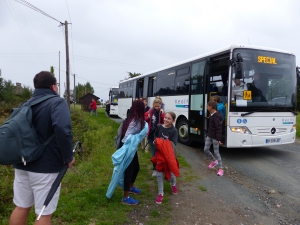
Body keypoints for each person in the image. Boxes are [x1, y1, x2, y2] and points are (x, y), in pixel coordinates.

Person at [9, 71, 75, 225]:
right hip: (46, 168)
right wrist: (68, 157)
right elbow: (63, 129)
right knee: (43, 213)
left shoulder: (25, 104)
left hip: (21, 164)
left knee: (21, 207)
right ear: (53, 86)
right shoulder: (57, 102)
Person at [120, 100, 146, 205]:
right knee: (129, 171)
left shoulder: (136, 119)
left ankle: (130, 187)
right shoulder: (134, 121)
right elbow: (126, 138)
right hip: (127, 148)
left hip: (131, 147)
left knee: (136, 168)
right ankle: (125, 198)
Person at [152, 112, 179, 204]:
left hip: (168, 156)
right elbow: (155, 136)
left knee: (171, 174)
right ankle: (160, 193)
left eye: (169, 119)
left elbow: (173, 144)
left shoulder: (174, 131)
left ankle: (173, 184)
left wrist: (162, 143)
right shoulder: (159, 127)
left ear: (173, 121)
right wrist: (155, 141)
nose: (166, 120)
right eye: (165, 118)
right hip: (159, 154)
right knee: (159, 174)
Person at [145, 98, 165, 176]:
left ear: (160, 105)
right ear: (153, 105)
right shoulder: (150, 111)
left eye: (158, 106)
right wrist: (148, 117)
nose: (157, 107)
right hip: (151, 135)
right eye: (155, 106)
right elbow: (145, 118)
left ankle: (160, 169)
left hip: (159, 136)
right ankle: (155, 169)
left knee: (159, 153)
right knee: (153, 153)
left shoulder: (162, 112)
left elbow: (164, 121)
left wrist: (162, 113)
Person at [204, 101, 224, 176]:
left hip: (215, 137)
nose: (207, 107)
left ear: (211, 107)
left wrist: (219, 139)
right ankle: (214, 161)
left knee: (216, 152)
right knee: (206, 149)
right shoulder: (212, 114)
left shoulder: (216, 116)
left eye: (207, 106)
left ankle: (221, 169)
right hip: (210, 135)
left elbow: (219, 128)